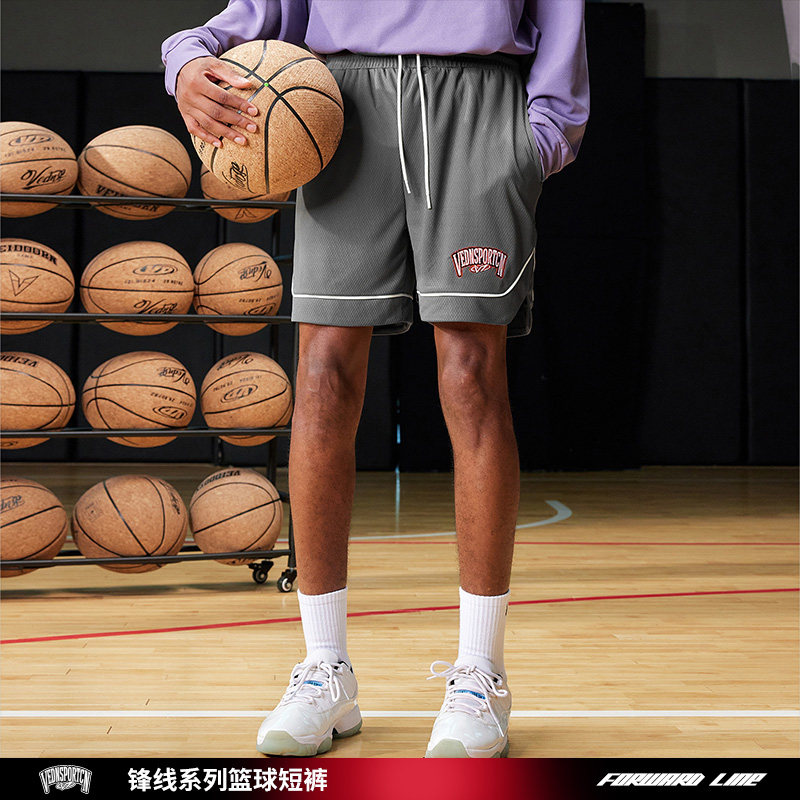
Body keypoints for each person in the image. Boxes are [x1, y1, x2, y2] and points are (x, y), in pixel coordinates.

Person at [162, 0, 588, 759]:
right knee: (322, 377)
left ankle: (481, 672)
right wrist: (189, 58)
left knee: (471, 377)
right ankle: (325, 668)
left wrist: (539, 136)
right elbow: (261, 11)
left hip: (474, 108)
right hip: (339, 109)